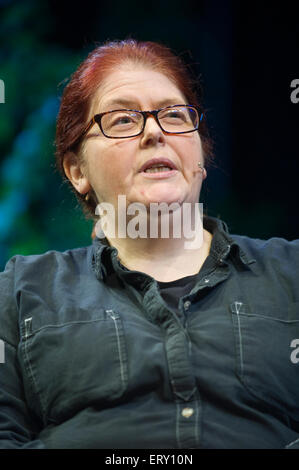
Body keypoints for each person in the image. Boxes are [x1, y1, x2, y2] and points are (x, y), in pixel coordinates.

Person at [0, 39, 299, 450]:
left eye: (175, 115)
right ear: (77, 171)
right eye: (123, 120)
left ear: (200, 154)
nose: (155, 131)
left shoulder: (291, 273)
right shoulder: (21, 292)